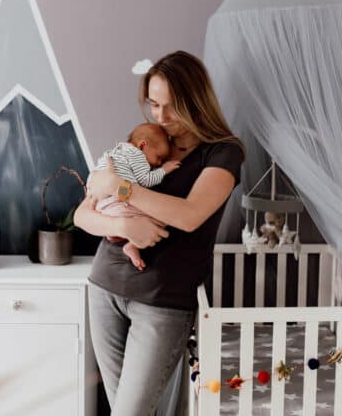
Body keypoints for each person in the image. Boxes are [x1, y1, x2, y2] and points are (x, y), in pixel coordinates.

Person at [73, 50, 245, 415]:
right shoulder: (142, 144)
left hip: (163, 302)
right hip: (105, 287)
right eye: (153, 104)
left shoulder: (223, 153)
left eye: (172, 107)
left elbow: (189, 215)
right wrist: (122, 224)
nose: (161, 117)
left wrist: (121, 188)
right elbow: (83, 216)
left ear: (196, 102)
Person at [90, 122, 181, 270]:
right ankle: (132, 245)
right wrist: (164, 170)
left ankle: (115, 233)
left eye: (161, 162)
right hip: (118, 201)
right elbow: (145, 180)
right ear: (143, 145)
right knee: (162, 218)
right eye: (158, 157)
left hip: (102, 204)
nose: (158, 163)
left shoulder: (116, 151)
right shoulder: (137, 155)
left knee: (134, 217)